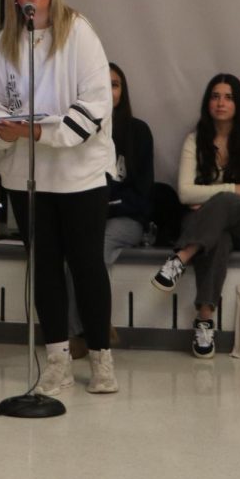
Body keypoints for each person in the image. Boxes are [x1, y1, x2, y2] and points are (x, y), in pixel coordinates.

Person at [0, 0, 119, 395]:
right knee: (44, 268)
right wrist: (10, 131)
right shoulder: (6, 41)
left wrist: (41, 133)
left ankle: (100, 359)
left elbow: (96, 100)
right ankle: (56, 361)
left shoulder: (79, 32)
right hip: (27, 178)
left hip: (78, 174)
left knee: (87, 266)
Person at [152, 73, 240, 357]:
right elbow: (183, 193)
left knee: (225, 203)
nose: (221, 103)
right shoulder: (195, 141)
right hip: (214, 229)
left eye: (228, 97)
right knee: (220, 237)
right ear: (207, 102)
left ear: (238, 104)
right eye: (215, 96)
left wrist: (215, 195)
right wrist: (233, 189)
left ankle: (180, 258)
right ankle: (205, 320)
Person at [67, 63, 154, 359]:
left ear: (122, 91)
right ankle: (88, 330)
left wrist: (105, 206)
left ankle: (90, 330)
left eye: (115, 84)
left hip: (126, 219)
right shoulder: (79, 131)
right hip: (86, 216)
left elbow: (142, 193)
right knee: (76, 253)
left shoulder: (138, 131)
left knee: (95, 250)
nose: (109, 89)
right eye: (103, 83)